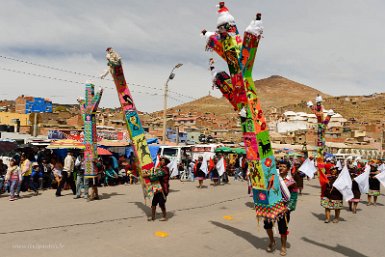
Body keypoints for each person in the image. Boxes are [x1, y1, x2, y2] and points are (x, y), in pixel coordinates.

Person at [264, 160, 297, 256]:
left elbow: (294, 196)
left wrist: (288, 208)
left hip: (283, 208)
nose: (281, 168)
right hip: (271, 206)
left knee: (282, 228)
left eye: (284, 166)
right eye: (280, 166)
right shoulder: (274, 178)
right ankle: (272, 241)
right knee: (267, 225)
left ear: (288, 169)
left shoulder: (291, 182)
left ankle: (283, 246)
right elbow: (268, 189)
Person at [148, 157, 170, 221]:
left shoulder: (165, 169)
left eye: (163, 161)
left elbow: (157, 176)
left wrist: (149, 176)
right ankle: (153, 217)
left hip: (163, 188)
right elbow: (154, 175)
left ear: (165, 163)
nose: (161, 162)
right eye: (161, 161)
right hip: (157, 188)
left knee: (161, 203)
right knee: (153, 203)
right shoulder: (158, 169)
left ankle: (164, 216)